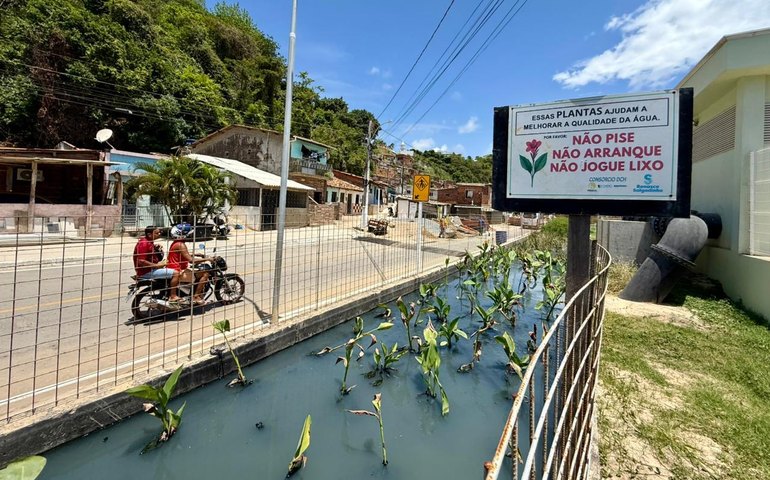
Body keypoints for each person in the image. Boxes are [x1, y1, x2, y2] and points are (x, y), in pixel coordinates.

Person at [167, 224, 213, 305]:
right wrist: (207, 259)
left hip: (173, 268)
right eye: (189, 234)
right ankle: (196, 296)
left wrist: (197, 254)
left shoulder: (176, 243)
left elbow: (183, 254)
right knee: (205, 273)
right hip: (179, 270)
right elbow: (191, 260)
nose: (190, 236)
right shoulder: (181, 245)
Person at [133, 226, 181, 302]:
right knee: (176, 273)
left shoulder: (148, 241)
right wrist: (157, 265)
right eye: (156, 233)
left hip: (149, 269)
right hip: (146, 272)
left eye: (159, 232)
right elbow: (141, 261)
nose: (159, 234)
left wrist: (155, 247)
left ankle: (166, 292)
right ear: (149, 234)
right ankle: (173, 296)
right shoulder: (144, 243)